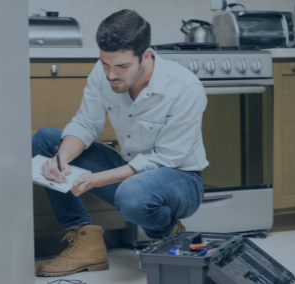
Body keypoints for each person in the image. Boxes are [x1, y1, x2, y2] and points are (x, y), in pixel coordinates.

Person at [32, 9, 209, 277]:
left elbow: (165, 159)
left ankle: (167, 233)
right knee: (46, 139)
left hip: (181, 180)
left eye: (122, 67)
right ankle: (85, 239)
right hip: (130, 170)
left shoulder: (185, 88)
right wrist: (62, 157)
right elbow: (85, 123)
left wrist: (96, 179)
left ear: (146, 56)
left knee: (133, 194)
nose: (111, 75)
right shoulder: (103, 72)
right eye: (106, 64)